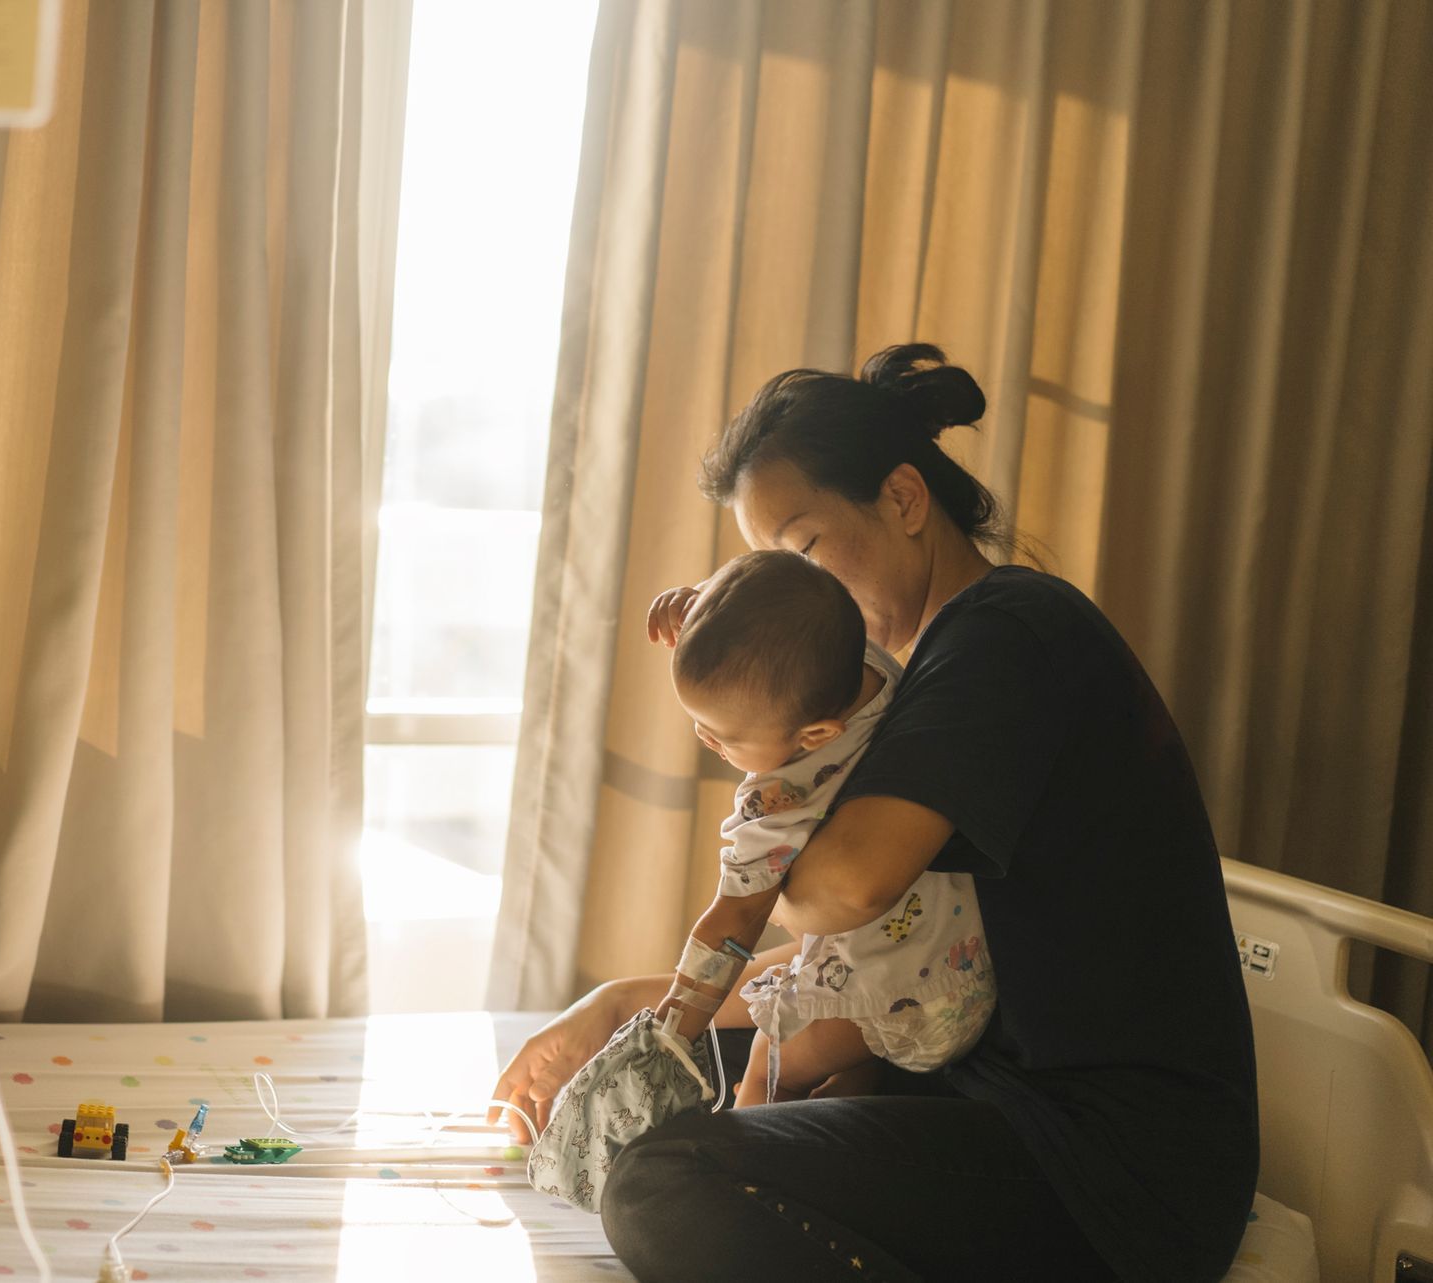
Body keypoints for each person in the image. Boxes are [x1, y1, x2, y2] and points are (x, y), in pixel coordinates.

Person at [490, 344, 1258, 1282]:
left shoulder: (1005, 636)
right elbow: (885, 953)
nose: (792, 593)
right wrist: (628, 1003)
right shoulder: (909, 680)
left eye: (803, 550)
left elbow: (846, 892)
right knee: (678, 1107)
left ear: (901, 499)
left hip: (1113, 1169)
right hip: (989, 1090)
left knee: (663, 1181)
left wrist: (763, 847)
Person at [654, 549, 995, 1107]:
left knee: (770, 1063)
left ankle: (739, 1166)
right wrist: (709, 604)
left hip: (894, 996)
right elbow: (787, 616)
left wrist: (669, 1033)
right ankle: (851, 1092)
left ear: (815, 736)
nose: (704, 738)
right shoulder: (866, 668)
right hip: (963, 965)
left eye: (723, 735)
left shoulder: (777, 800)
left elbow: (732, 922)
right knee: (837, 1066)